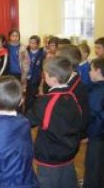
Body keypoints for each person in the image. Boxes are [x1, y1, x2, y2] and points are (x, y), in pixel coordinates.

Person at [27, 56, 82, 188]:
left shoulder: (45, 101)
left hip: (49, 158)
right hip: (69, 154)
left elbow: (28, 121)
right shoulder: (73, 97)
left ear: (52, 78)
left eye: (44, 73)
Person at [57, 44, 90, 138]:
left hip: (67, 136)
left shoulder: (77, 88)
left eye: (57, 59)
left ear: (65, 64)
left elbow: (84, 114)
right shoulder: (63, 81)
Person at [83, 58, 104, 188]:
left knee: (93, 169)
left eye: (91, 69)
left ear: (98, 71)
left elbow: (91, 114)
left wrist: (85, 133)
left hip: (97, 136)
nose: (89, 73)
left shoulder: (98, 92)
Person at [26, 35, 45, 110]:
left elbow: (42, 68)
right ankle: (27, 112)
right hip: (26, 78)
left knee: (33, 98)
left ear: (38, 44)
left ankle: (31, 113)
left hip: (35, 79)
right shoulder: (26, 52)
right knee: (27, 97)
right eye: (30, 42)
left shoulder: (42, 54)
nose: (31, 44)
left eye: (33, 43)